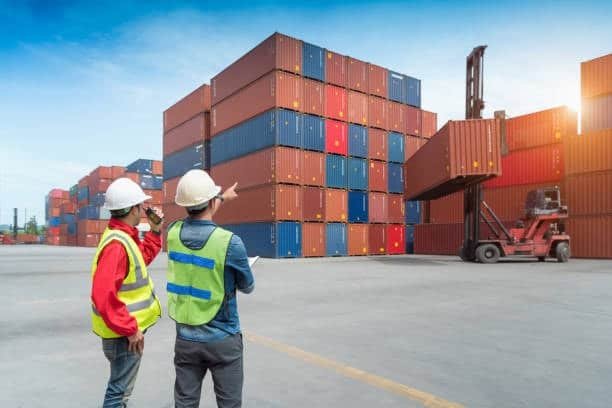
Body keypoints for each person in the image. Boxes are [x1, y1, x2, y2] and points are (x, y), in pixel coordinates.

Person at [166, 169, 255, 408]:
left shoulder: (172, 233)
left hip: (185, 338)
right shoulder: (230, 243)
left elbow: (198, 221)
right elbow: (248, 286)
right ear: (210, 200)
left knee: (185, 404)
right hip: (223, 339)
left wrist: (222, 198)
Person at [90, 177, 164, 407]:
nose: (144, 210)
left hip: (121, 332)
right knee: (118, 393)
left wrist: (155, 231)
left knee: (120, 390)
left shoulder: (123, 235)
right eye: (141, 206)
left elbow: (140, 259)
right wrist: (130, 329)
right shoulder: (117, 245)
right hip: (123, 336)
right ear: (132, 208)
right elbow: (103, 295)